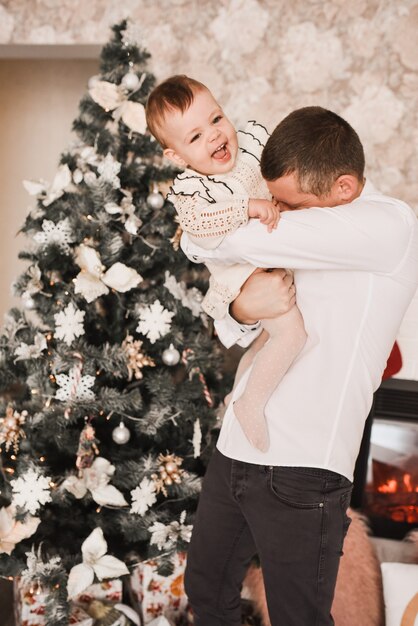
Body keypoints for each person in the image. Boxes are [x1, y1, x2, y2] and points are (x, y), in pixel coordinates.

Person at [180, 106, 418, 625]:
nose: (277, 213)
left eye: (291, 205)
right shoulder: (303, 225)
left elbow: (209, 238)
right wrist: (245, 307)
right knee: (205, 588)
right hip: (236, 444)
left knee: (299, 617)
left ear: (344, 188)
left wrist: (204, 223)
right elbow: (239, 315)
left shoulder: (390, 225)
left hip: (303, 466)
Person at [145, 75, 306, 452]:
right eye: (195, 137)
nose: (215, 136)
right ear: (177, 157)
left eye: (216, 120)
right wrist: (248, 207)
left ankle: (237, 397)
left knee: (269, 340)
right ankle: (252, 403)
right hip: (244, 279)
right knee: (292, 334)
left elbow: (285, 170)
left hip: (278, 266)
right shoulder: (191, 189)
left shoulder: (252, 146)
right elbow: (198, 225)